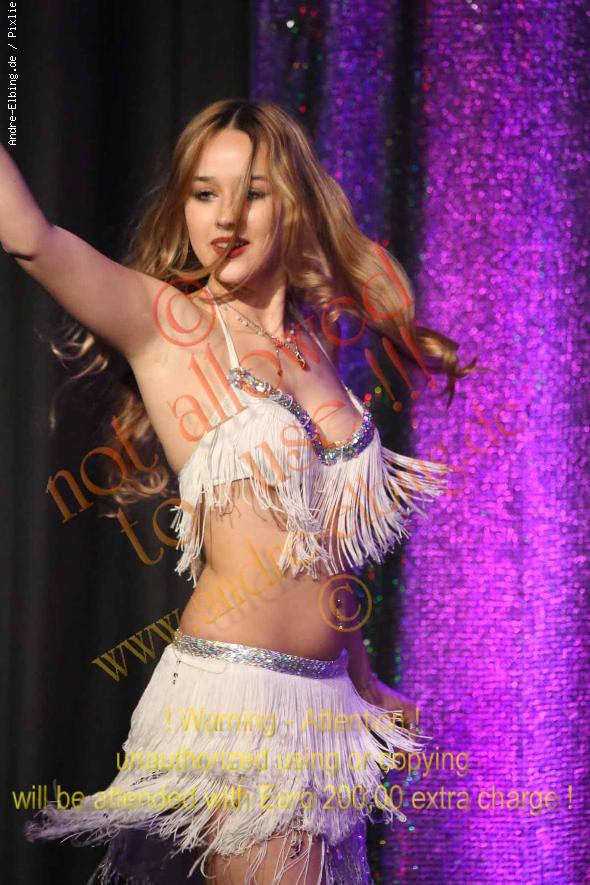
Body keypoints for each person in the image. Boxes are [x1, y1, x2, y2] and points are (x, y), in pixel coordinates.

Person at [3, 99, 472, 883]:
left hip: (325, 707)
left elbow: (324, 546)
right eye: (204, 192)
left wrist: (364, 680)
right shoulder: (165, 323)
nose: (225, 217)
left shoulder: (314, 346)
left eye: (252, 192)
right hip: (238, 696)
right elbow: (31, 238)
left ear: (293, 203)